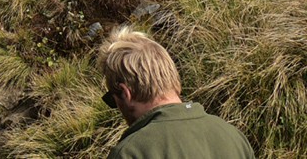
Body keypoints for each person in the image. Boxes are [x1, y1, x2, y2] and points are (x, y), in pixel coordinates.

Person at [98, 26, 254, 159]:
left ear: (126, 93)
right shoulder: (234, 137)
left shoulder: (130, 153)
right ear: (175, 82)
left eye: (112, 100)